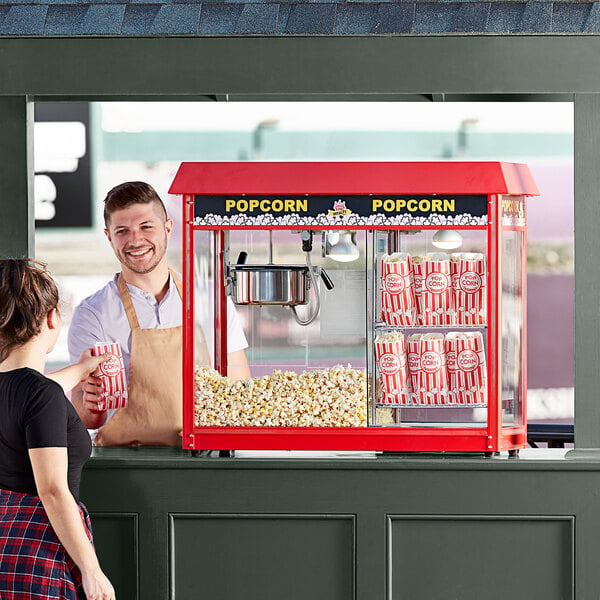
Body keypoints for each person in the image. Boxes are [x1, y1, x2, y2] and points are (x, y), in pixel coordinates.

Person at [68, 181, 250, 446]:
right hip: (125, 467)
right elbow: (86, 417)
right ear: (109, 237)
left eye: (146, 227)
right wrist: (91, 406)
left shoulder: (211, 299)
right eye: (122, 231)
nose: (135, 240)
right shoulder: (92, 314)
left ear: (167, 228)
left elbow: (239, 387)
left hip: (203, 459)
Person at [0, 259, 115, 600]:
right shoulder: (41, 394)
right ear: (52, 318)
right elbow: (52, 489)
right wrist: (91, 571)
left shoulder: (26, 391)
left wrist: (80, 370)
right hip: (38, 554)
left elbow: (31, 395)